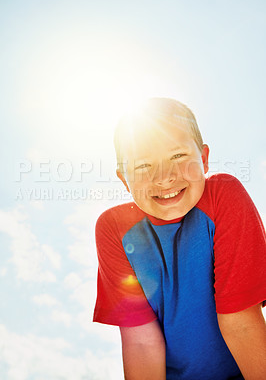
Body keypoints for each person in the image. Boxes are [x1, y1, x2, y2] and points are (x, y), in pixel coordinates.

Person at [93, 98, 266, 380]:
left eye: (177, 157)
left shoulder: (224, 196)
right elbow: (141, 341)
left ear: (204, 158)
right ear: (124, 180)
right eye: (143, 166)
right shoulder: (114, 230)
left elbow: (241, 320)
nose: (165, 178)